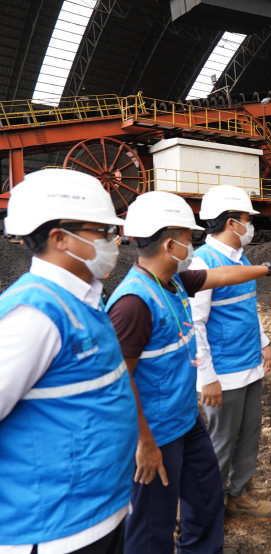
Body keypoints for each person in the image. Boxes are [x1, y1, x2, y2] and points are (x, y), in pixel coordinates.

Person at [105, 191, 271, 553]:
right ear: (169, 244)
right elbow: (118, 382)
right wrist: (144, 443)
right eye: (187, 238)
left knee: (206, 495)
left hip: (184, 420)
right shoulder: (133, 304)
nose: (192, 245)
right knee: (151, 525)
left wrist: (270, 270)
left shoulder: (174, 282)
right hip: (156, 432)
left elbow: (224, 274)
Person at [0, 169, 137, 553]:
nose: (115, 241)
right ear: (61, 238)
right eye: (104, 233)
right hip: (56, 531)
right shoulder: (33, 315)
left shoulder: (83, 299)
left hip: (97, 514)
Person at [190, 185, 271, 517]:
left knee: (248, 435)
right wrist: (206, 377)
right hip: (223, 374)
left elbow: (247, 308)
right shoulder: (203, 263)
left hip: (248, 365)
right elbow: (194, 324)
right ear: (231, 222)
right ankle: (206, 513)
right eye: (246, 219)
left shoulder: (241, 259)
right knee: (221, 443)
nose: (249, 225)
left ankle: (237, 495)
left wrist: (264, 343)